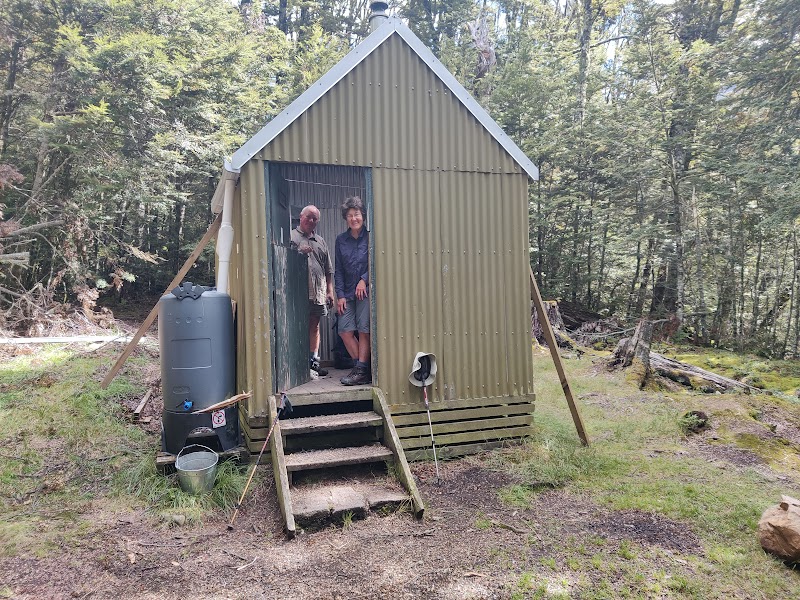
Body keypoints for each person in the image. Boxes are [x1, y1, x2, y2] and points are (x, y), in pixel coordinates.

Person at [290, 205, 334, 376]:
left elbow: (328, 270)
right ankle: (296, 365)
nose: (311, 221)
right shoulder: (291, 237)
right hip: (297, 293)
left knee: (314, 326)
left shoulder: (321, 241)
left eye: (315, 219)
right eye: (309, 216)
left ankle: (313, 363)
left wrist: (330, 292)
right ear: (301, 216)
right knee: (296, 326)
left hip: (318, 292)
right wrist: (297, 250)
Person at [335, 196, 371, 386]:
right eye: (349, 215)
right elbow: (338, 270)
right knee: (345, 330)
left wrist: (364, 280)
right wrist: (340, 295)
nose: (353, 218)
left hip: (364, 291)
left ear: (362, 216)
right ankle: (364, 368)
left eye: (356, 214)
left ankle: (361, 369)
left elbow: (375, 262)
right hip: (347, 292)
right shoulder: (340, 240)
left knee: (364, 330)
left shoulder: (370, 236)